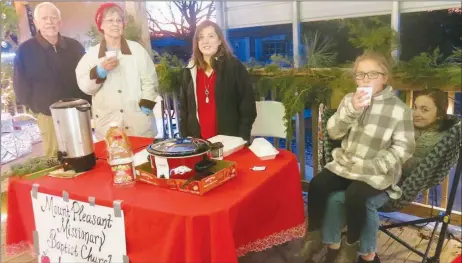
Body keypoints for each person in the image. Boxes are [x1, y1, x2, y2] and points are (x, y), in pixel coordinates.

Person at [302, 52, 416, 263]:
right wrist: (352, 109)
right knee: (318, 184)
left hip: (377, 169)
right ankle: (314, 237)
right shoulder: (349, 100)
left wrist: (375, 164)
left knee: (355, 195)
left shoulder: (399, 110)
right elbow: (333, 132)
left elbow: (404, 148)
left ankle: (351, 246)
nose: (365, 79)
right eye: (360, 75)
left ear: (384, 77)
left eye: (372, 74)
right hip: (348, 163)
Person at [322, 88, 454, 263]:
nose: (416, 113)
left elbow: (408, 167)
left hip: (398, 185)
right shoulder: (402, 122)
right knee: (335, 198)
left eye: (425, 109)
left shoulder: (437, 138)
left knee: (366, 202)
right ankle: (333, 247)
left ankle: (368, 256)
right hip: (370, 175)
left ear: (439, 115)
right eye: (415, 107)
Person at [13, 2, 91, 157]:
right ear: (36, 23)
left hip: (78, 112)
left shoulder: (75, 47)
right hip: (48, 115)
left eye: (53, 18)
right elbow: (21, 87)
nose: (49, 22)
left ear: (59, 22)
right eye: (44, 18)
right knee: (55, 159)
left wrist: (87, 104)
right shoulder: (25, 50)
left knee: (84, 153)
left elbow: (86, 77)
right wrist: (37, 108)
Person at [75, 3, 158, 140]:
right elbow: (85, 87)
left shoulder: (137, 50)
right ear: (100, 25)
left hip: (138, 124)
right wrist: (100, 72)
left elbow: (150, 80)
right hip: (108, 126)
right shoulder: (91, 55)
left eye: (119, 20)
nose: (115, 24)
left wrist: (146, 106)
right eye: (110, 20)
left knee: (142, 159)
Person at [179, 20, 257, 141]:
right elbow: (183, 109)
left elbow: (247, 106)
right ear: (197, 42)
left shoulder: (234, 67)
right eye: (201, 37)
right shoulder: (190, 70)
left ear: (219, 40)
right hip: (197, 142)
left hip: (229, 141)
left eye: (211, 36)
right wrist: (185, 138)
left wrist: (242, 138)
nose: (205, 41)